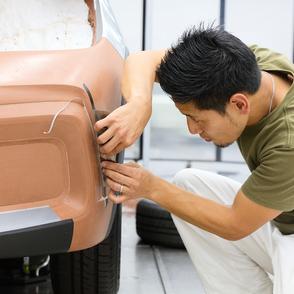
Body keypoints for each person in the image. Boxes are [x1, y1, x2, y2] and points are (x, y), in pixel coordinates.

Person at [96, 24, 294, 294]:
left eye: (197, 118)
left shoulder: (288, 144)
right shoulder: (248, 67)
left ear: (239, 104)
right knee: (187, 185)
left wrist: (150, 187)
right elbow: (144, 60)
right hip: (279, 224)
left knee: (175, 194)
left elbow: (235, 224)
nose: (192, 129)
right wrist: (140, 104)